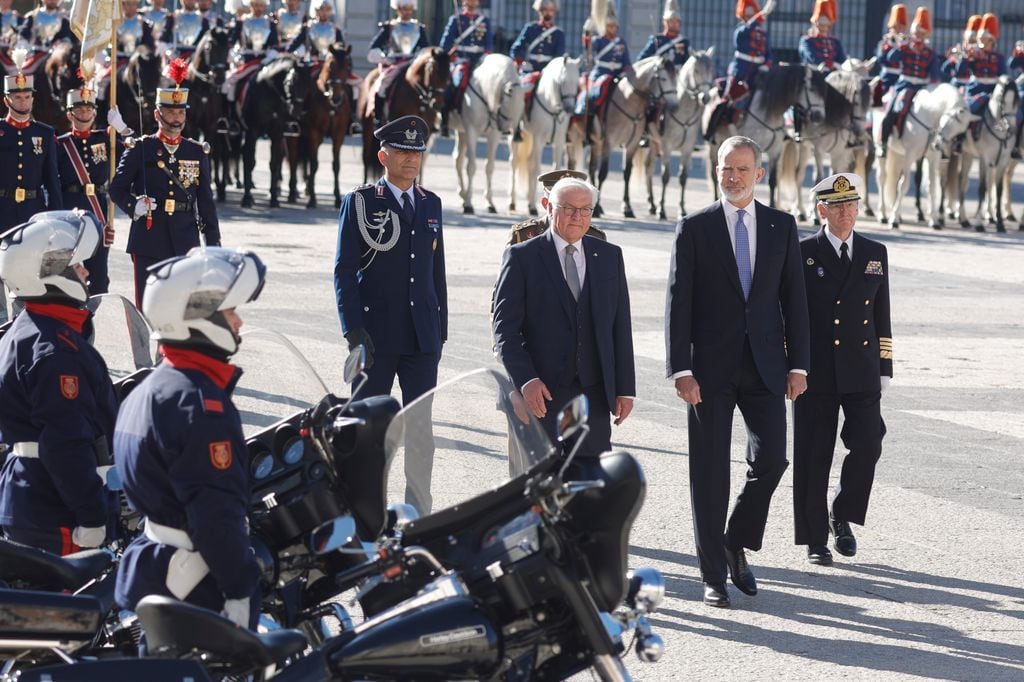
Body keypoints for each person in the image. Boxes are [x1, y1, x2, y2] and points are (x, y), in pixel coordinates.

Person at [666, 135, 809, 608]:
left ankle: (735, 539)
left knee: (772, 461)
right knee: (708, 473)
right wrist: (680, 369)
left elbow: (795, 301)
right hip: (708, 371)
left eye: (742, 170)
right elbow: (677, 303)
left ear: (759, 175)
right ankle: (712, 575)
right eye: (726, 169)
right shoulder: (694, 228)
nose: (732, 177)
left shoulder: (781, 226)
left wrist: (799, 364)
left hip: (767, 366)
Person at [114, 247, 266, 630]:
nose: (238, 322)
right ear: (199, 318)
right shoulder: (200, 405)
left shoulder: (151, 388)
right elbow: (216, 515)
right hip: (192, 586)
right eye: (230, 311)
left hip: (154, 568)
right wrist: (240, 590)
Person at [334, 115, 446, 513]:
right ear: (383, 155)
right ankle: (364, 510)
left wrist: (440, 331)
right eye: (402, 151)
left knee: (420, 433)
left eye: (417, 152)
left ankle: (419, 510)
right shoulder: (362, 202)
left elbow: (437, 273)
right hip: (376, 338)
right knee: (367, 432)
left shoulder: (430, 203)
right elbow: (344, 270)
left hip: (421, 339)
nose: (411, 159)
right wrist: (353, 332)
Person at [0, 214, 118, 555]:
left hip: (32, 497)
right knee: (72, 606)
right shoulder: (55, 351)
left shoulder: (30, 329)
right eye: (78, 265)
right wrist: (91, 513)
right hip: (56, 508)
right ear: (52, 274)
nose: (86, 273)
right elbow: (65, 442)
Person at [493, 176, 635, 460]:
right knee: (542, 485)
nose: (577, 217)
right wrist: (525, 381)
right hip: (541, 394)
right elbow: (505, 330)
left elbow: (620, 326)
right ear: (548, 206)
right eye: (568, 208)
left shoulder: (609, 256)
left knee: (589, 485)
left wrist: (625, 389)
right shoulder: (522, 256)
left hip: (592, 395)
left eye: (585, 210)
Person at [794, 173, 892, 566]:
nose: (846, 213)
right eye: (837, 206)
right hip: (816, 371)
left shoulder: (874, 251)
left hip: (862, 367)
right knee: (813, 454)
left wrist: (885, 364)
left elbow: (881, 312)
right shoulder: (803, 253)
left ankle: (843, 512)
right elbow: (791, 316)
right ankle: (815, 538)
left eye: (852, 205)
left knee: (868, 442)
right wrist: (793, 366)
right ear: (822, 210)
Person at [109, 78, 221, 308]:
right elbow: (116, 188)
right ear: (157, 115)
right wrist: (134, 206)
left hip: (185, 240)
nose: (176, 118)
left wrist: (213, 245)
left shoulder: (197, 151)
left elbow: (206, 204)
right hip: (149, 239)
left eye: (180, 113)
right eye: (170, 112)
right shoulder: (140, 148)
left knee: (182, 309)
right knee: (148, 307)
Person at [57, 87, 132, 296]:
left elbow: (136, 152)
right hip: (68, 206)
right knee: (67, 268)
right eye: (79, 110)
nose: (84, 115)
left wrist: (123, 128)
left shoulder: (106, 139)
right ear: (69, 114)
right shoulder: (61, 144)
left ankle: (94, 316)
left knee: (98, 273)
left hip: (97, 206)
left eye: (88, 110)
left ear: (95, 113)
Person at [877, 6, 940, 158]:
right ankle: (883, 143)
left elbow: (935, 74)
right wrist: (901, 47)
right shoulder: (905, 48)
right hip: (904, 84)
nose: (919, 35)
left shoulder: (930, 53)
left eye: (922, 32)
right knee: (891, 111)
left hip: (922, 87)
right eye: (917, 32)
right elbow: (891, 59)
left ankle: (934, 144)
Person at [706, 0, 771, 141]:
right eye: (747, 15)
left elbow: (768, 53)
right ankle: (711, 131)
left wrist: (767, 64)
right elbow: (746, 31)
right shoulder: (740, 31)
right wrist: (759, 17)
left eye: (752, 15)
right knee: (728, 100)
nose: (750, 18)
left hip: (758, 72)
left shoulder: (763, 34)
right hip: (740, 72)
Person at [366, 0, 429, 127]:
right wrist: (384, 58)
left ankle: (430, 119)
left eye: (409, 9)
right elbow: (374, 47)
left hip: (412, 63)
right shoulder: (389, 27)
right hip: (394, 63)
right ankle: (378, 117)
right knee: (382, 84)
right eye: (404, 8)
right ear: (398, 9)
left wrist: (420, 57)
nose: (407, 12)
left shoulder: (419, 28)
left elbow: (424, 48)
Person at [635, 0, 689, 147]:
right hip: (661, 79)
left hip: (677, 79)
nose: (675, 24)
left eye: (677, 21)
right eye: (672, 21)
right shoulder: (656, 40)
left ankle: (688, 132)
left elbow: (687, 63)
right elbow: (641, 59)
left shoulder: (684, 42)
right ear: (666, 22)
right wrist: (655, 61)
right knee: (649, 103)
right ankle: (646, 133)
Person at [509, 0, 565, 137]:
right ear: (539, 11)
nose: (547, 13)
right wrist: (521, 59)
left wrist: (551, 69)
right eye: (544, 10)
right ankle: (517, 124)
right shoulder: (530, 28)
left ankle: (562, 129)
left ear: (554, 12)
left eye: (550, 10)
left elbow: (559, 56)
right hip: (531, 68)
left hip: (548, 71)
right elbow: (516, 48)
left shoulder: (558, 33)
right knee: (520, 92)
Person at [573, 4, 630, 138]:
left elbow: (626, 62)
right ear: (605, 26)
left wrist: (626, 73)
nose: (613, 29)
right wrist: (586, 34)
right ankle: (589, 123)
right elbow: (588, 50)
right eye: (610, 26)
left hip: (618, 75)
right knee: (594, 95)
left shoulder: (621, 42)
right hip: (601, 74)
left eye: (615, 26)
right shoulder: (598, 40)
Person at [508, 168, 606, 245]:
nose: (576, 217)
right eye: (568, 207)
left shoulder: (595, 236)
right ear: (547, 204)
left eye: (584, 208)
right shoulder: (523, 235)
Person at [439, 0, 493, 137]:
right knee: (455, 84)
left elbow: (488, 44)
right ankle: (446, 118)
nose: (471, 2)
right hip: (461, 61)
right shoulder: (456, 19)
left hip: (479, 62)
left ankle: (493, 118)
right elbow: (446, 43)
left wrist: (486, 56)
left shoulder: (484, 21)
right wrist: (448, 52)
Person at [954, 13, 1007, 143]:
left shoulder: (999, 57)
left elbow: (1003, 76)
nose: (981, 42)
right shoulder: (974, 54)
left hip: (993, 92)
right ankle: (959, 139)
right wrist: (965, 57)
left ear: (991, 40)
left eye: (984, 39)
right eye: (980, 39)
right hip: (975, 90)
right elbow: (959, 71)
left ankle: (1007, 139)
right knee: (966, 111)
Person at [873, 4, 907, 107]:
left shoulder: (905, 44)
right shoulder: (884, 43)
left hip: (901, 78)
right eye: (896, 27)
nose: (898, 30)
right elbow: (881, 59)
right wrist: (890, 46)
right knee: (876, 100)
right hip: (887, 77)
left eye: (901, 27)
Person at [799, 0, 845, 74]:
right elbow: (812, 58)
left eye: (826, 26)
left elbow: (842, 60)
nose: (824, 28)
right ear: (815, 25)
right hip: (813, 76)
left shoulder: (835, 42)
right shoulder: (807, 40)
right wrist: (831, 64)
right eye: (821, 25)